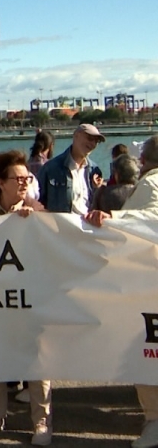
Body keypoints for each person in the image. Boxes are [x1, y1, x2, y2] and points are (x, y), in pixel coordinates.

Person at [86, 135, 158, 448]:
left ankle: (155, 421)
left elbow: (148, 220)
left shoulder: (152, 184)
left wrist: (113, 218)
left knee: (147, 353)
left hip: (148, 283)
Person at [0, 150, 52, 445]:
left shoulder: (36, 211)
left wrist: (35, 225)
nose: (23, 183)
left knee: (37, 363)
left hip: (29, 300)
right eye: (17, 178)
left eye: (27, 178)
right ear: (0, 183)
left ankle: (41, 422)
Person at [37, 124, 104, 215]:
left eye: (96, 141)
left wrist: (99, 189)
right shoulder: (51, 168)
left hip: (88, 226)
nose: (93, 144)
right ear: (76, 136)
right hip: (61, 226)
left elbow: (98, 205)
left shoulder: (94, 171)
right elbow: (38, 201)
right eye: (90, 138)